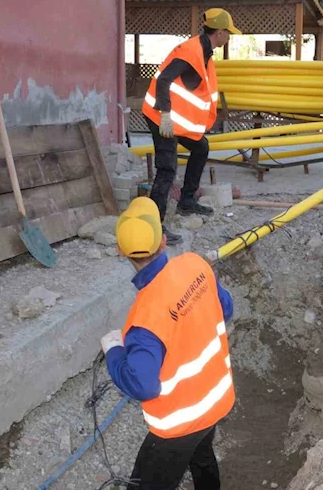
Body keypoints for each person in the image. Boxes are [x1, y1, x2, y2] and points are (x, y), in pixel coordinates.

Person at [100, 196, 235, 490]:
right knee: (201, 457)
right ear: (163, 241)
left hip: (179, 422)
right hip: (214, 401)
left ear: (120, 251)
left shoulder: (144, 320)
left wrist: (114, 353)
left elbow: (143, 385)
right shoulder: (195, 265)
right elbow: (225, 309)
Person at [142, 8, 242, 245]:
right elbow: (164, 79)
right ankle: (156, 226)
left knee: (201, 148)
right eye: (228, 33)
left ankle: (187, 201)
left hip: (174, 120)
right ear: (219, 32)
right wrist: (165, 114)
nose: (229, 37)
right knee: (167, 168)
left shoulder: (204, 51)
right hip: (161, 118)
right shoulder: (191, 51)